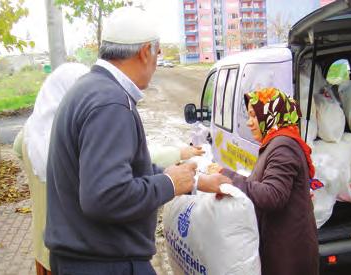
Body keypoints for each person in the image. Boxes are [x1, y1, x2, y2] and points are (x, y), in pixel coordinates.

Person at [44, 7, 230, 275]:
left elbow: (129, 171)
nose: (156, 64)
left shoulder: (89, 89)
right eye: (157, 53)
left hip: (85, 258)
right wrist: (168, 183)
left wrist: (196, 181)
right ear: (145, 52)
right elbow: (105, 197)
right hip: (105, 264)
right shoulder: (110, 103)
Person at [224, 88, 319, 275]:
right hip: (283, 249)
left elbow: (272, 196)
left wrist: (227, 177)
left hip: (288, 257)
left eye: (253, 115)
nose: (249, 123)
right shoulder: (276, 142)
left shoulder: (283, 146)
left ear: (270, 113)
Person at [14, 63, 90, 275]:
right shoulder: (77, 133)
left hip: (43, 245)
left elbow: (16, 149)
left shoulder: (31, 129)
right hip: (75, 251)